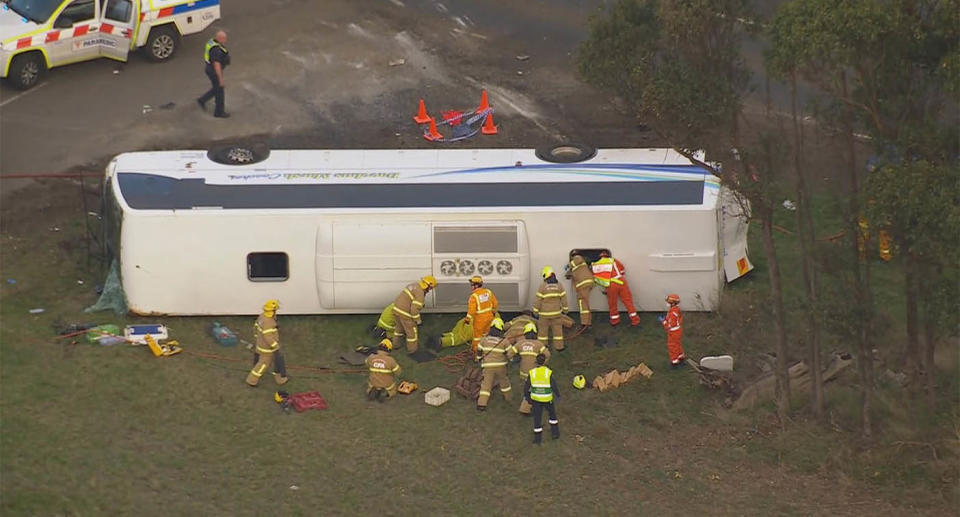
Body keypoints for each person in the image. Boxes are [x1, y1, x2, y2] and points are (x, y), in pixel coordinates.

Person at [507, 322, 550, 414]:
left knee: (529, 388)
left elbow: (509, 353)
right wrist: (542, 363)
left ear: (525, 333)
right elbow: (547, 355)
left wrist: (514, 360)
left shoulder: (520, 343)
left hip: (523, 372)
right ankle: (525, 409)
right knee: (531, 390)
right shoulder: (539, 344)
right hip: (534, 373)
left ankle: (533, 404)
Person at [246, 299, 289, 387]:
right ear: (273, 311)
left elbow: (255, 327)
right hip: (267, 349)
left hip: (260, 344)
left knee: (276, 361)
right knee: (263, 364)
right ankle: (251, 380)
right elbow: (268, 337)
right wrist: (275, 346)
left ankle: (279, 378)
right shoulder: (269, 322)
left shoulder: (262, 316)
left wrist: (256, 338)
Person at [591, 250, 640, 327]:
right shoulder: (614, 260)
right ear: (608, 255)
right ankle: (635, 320)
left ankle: (615, 320)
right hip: (621, 282)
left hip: (610, 284)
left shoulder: (597, 264)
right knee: (628, 301)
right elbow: (622, 270)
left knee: (612, 303)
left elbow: (596, 278)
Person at [391, 276, 436, 354]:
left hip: (396, 309)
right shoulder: (420, 294)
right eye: (431, 288)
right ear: (428, 286)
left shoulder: (414, 285)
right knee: (412, 333)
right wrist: (418, 321)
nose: (430, 290)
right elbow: (414, 310)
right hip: (405, 313)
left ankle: (395, 345)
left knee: (399, 329)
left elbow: (409, 299)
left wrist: (420, 304)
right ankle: (413, 350)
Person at [475, 317, 511, 411]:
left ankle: (481, 404)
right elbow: (510, 353)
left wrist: (479, 359)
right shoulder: (504, 341)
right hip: (501, 366)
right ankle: (508, 398)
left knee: (486, 384)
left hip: (487, 366)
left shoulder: (484, 339)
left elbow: (479, 350)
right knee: (504, 382)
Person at [524, 354, 560, 444]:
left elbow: (526, 387)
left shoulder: (532, 372)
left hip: (536, 399)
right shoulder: (548, 372)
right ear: (544, 361)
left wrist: (527, 397)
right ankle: (555, 434)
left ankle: (537, 439)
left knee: (537, 418)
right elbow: (553, 385)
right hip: (547, 398)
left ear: (536, 361)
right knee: (552, 416)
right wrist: (558, 395)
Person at [532, 266, 568, 351]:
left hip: (544, 314)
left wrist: (535, 311)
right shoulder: (559, 286)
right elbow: (564, 299)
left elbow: (538, 300)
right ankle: (559, 347)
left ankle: (542, 347)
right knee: (558, 331)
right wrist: (565, 310)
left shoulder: (542, 286)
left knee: (542, 333)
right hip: (556, 314)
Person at [196, 30, 231, 118]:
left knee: (216, 88)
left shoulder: (212, 42)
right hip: (214, 71)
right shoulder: (216, 50)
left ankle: (202, 100)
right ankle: (219, 112)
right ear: (219, 38)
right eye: (224, 38)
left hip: (209, 68)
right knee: (220, 90)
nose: (225, 40)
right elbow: (217, 65)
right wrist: (220, 79)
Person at [466, 275, 498, 353]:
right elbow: (495, 303)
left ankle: (477, 353)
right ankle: (486, 349)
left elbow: (472, 310)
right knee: (487, 334)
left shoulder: (474, 296)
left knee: (477, 337)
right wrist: (493, 311)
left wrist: (468, 318)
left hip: (480, 320)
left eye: (472, 285)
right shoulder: (488, 292)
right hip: (490, 318)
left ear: (476, 285)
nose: (471, 286)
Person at [566, 254, 595, 329]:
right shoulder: (579, 267)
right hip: (584, 284)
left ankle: (586, 324)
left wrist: (569, 266)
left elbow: (578, 260)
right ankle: (586, 323)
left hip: (584, 284)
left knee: (583, 304)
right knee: (583, 303)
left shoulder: (577, 258)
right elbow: (575, 274)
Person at [659, 294, 686, 368]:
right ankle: (681, 356)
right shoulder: (676, 310)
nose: (667, 303)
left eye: (668, 302)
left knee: (672, 346)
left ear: (673, 303)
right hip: (678, 330)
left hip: (673, 332)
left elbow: (669, 326)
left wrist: (663, 321)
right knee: (678, 344)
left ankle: (675, 362)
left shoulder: (672, 313)